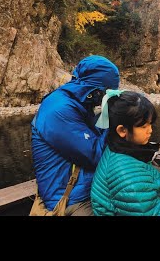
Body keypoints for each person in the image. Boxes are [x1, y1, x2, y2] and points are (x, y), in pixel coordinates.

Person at [31, 55, 120, 216]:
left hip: (87, 189)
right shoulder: (59, 109)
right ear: (95, 89)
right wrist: (114, 117)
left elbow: (98, 140)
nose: (103, 100)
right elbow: (95, 156)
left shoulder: (80, 102)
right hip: (68, 200)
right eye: (106, 93)